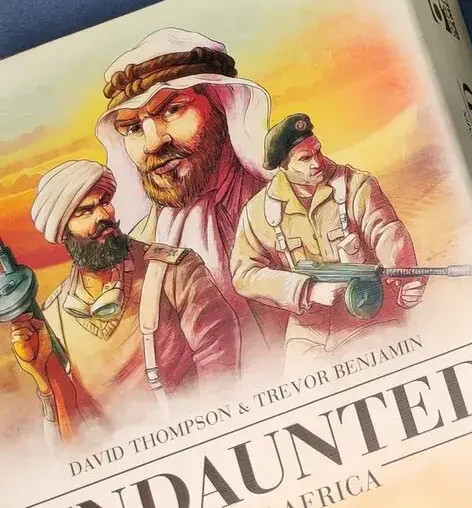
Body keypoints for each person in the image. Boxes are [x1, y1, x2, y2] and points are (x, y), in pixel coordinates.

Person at [9, 161, 240, 434]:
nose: (103, 215)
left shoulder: (175, 270)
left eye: (104, 202)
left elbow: (221, 371)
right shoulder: (54, 316)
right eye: (85, 211)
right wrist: (42, 374)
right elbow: (70, 430)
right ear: (63, 231)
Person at [94, 28, 282, 360]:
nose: (153, 143)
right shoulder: (144, 249)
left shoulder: (287, 204)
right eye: (134, 128)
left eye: (172, 110)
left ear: (222, 104)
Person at [231, 113, 424, 371]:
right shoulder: (258, 211)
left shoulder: (356, 185)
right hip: (308, 332)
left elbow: (386, 231)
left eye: (318, 151)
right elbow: (244, 274)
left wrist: (406, 279)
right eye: (305, 158)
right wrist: (307, 291)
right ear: (283, 166)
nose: (317, 162)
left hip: (368, 314)